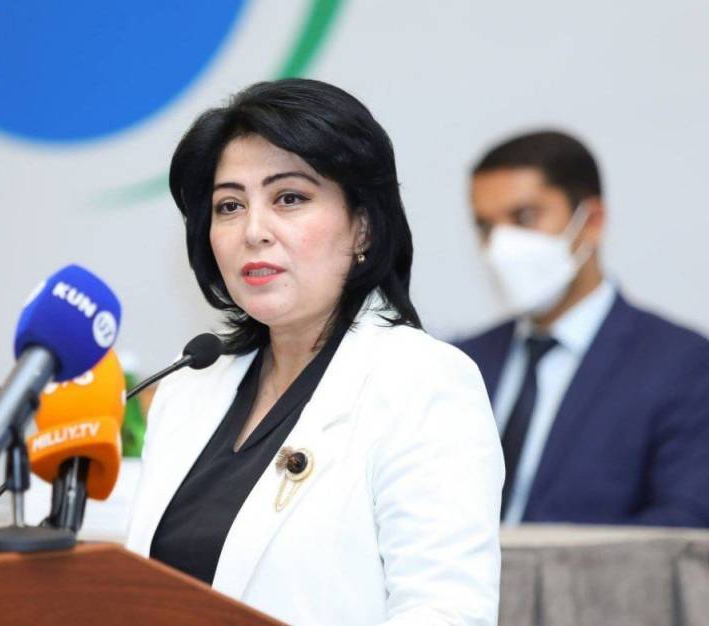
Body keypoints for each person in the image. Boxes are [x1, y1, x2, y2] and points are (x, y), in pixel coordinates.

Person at [126, 79, 503, 625]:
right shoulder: (187, 391)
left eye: (290, 198)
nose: (253, 230)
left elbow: (446, 612)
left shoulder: (424, 381)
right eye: (229, 206)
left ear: (362, 226)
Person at [458, 130, 709, 527]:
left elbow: (681, 527)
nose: (501, 246)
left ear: (591, 221)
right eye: (487, 227)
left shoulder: (682, 365)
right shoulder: (460, 361)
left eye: (525, 218)